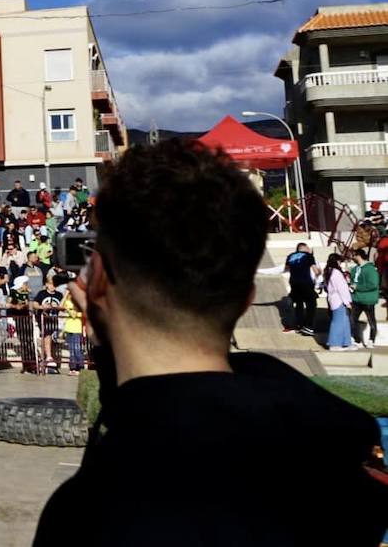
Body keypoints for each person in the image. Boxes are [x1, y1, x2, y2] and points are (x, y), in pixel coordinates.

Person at [34, 140, 388, 547]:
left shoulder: (88, 512)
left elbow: (156, 411)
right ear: (247, 298)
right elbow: (172, 402)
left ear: (97, 280)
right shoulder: (336, 463)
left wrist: (103, 328)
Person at [283, 241, 318, 334]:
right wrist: (319, 273)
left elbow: (286, 269)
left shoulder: (290, 256)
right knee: (311, 303)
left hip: (294, 283)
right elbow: (315, 270)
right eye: (308, 247)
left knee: (299, 304)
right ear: (304, 248)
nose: (309, 249)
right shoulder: (308, 256)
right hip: (305, 282)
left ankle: (299, 325)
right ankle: (308, 326)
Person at [323, 253, 355, 352]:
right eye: (340, 261)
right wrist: (347, 302)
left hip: (335, 300)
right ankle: (334, 344)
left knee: (344, 321)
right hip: (339, 300)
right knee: (338, 322)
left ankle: (346, 342)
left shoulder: (329, 272)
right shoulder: (336, 273)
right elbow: (342, 289)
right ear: (337, 261)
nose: (341, 263)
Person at [349, 248, 379, 348]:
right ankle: (357, 340)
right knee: (352, 320)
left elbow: (373, 284)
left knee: (371, 321)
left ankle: (371, 340)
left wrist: (358, 287)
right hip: (356, 299)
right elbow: (352, 281)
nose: (352, 257)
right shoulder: (354, 269)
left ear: (358, 256)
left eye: (354, 255)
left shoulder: (370, 269)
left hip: (368, 300)